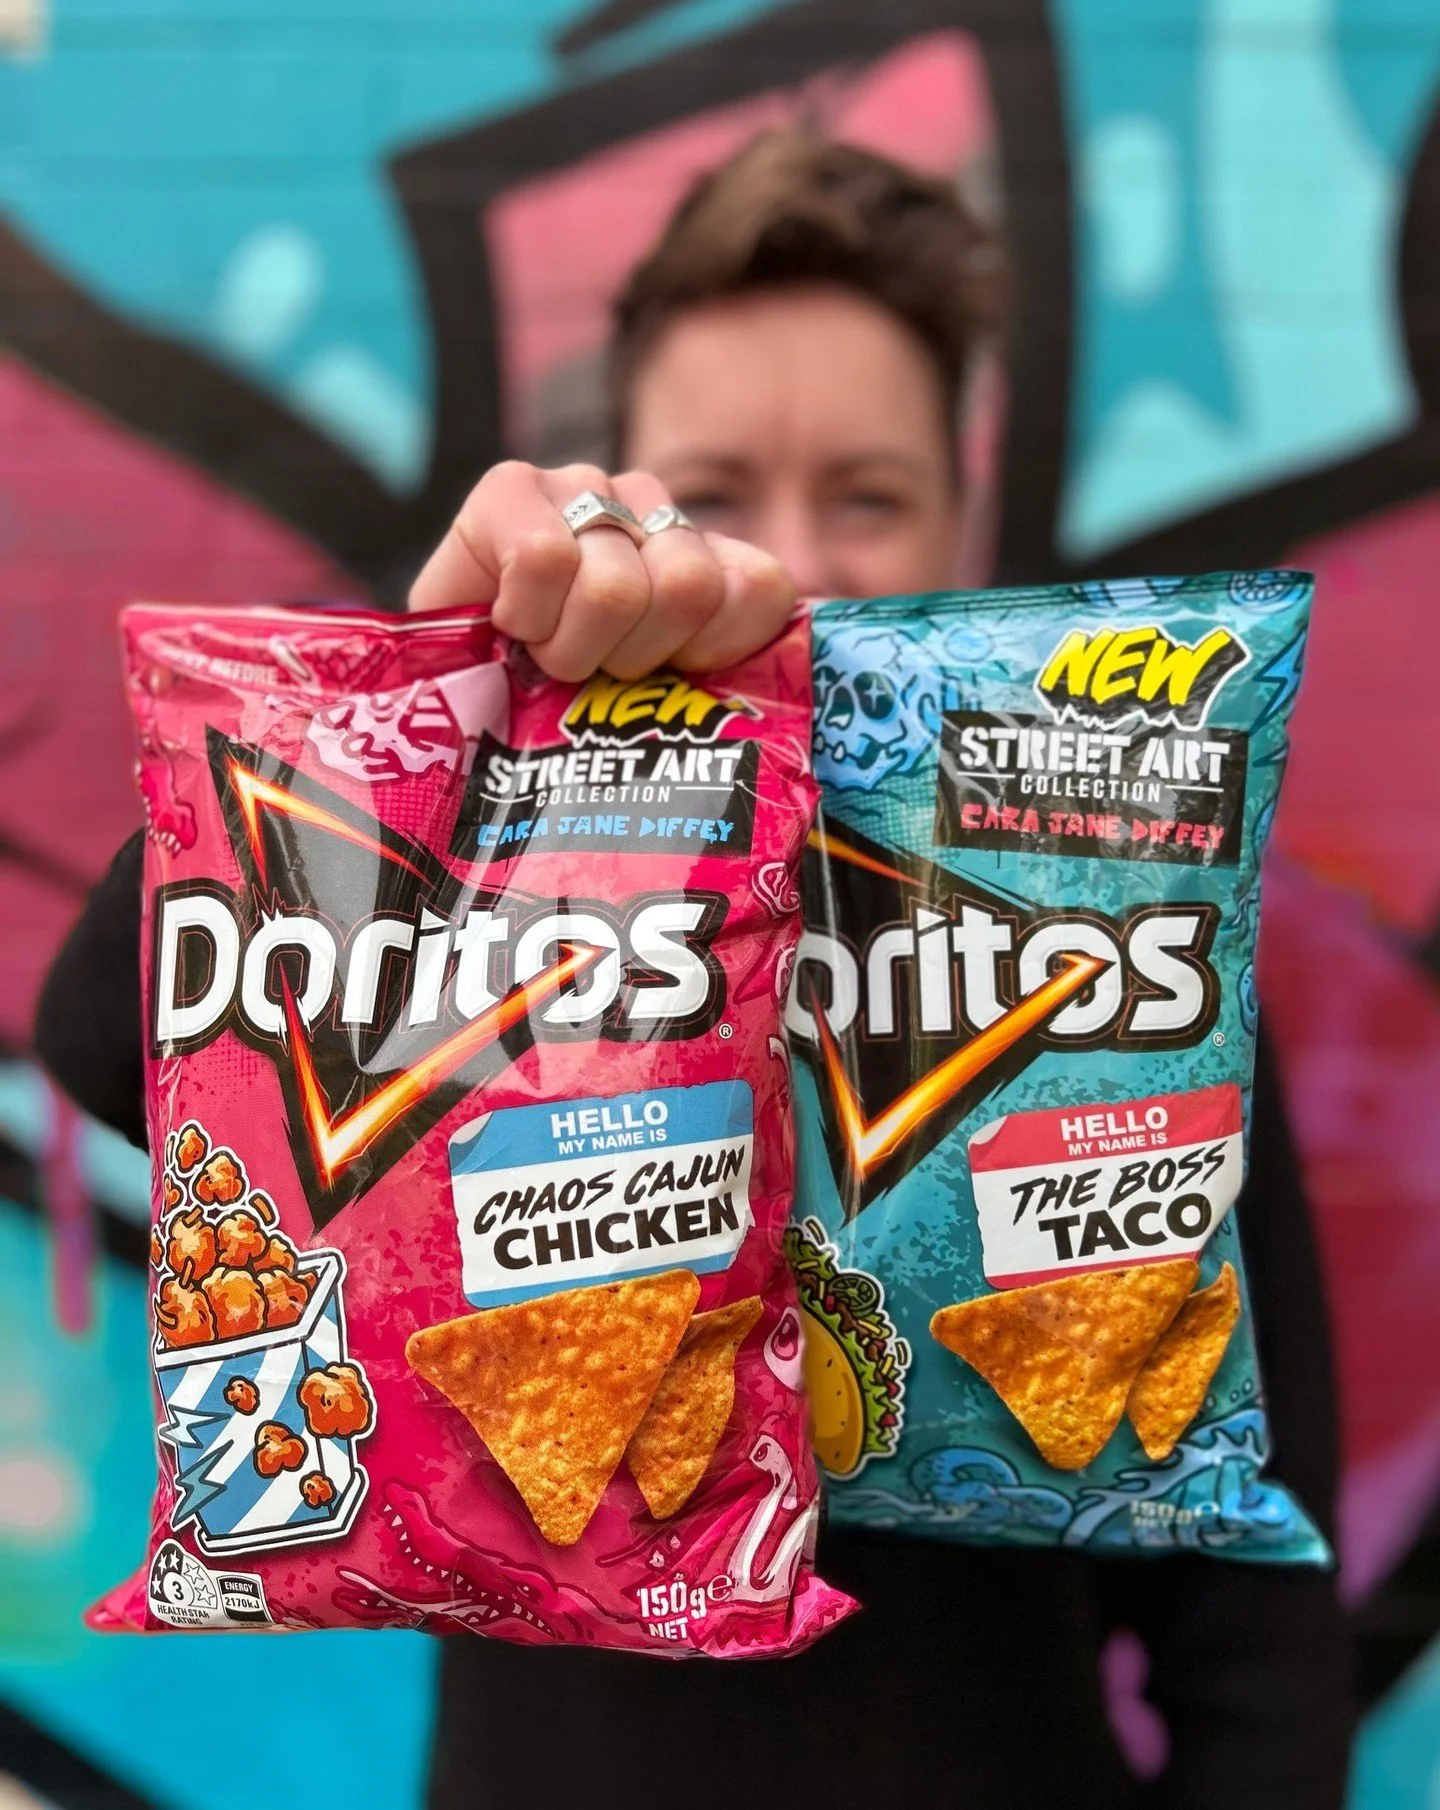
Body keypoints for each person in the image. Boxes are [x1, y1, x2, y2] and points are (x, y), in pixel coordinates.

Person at [37, 134, 1352, 1808]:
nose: (795, 561)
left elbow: (1260, 1623)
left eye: (868, 494)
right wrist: (438, 685)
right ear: (635, 516)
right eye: (720, 493)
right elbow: (98, 1039)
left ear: (968, 513)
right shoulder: (512, 900)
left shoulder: (1116, 958)